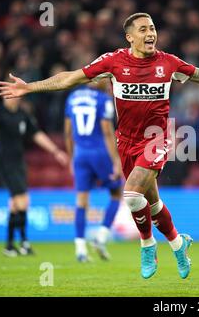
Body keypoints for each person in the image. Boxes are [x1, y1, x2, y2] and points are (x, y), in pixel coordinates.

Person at [0, 12, 199, 279]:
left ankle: (147, 245)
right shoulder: (113, 62)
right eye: (143, 30)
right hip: (125, 143)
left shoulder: (168, 63)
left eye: (152, 28)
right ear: (129, 37)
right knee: (152, 204)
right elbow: (71, 77)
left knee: (131, 194)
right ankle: (177, 244)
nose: (151, 34)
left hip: (156, 139)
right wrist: (30, 87)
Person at [0, 96, 69, 257]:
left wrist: (56, 151)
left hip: (19, 161)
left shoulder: (22, 115)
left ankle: (10, 245)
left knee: (16, 203)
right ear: (4, 97)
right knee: (21, 200)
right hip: (3, 161)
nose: (14, 98)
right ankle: (23, 242)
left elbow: (36, 134)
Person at [64, 81, 123, 262]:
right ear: (96, 81)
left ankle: (80, 249)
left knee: (81, 200)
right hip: (100, 153)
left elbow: (67, 131)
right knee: (116, 192)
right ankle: (101, 237)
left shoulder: (72, 97)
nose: (108, 82)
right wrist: (116, 160)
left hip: (80, 154)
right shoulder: (103, 99)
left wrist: (71, 157)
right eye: (105, 78)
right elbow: (106, 131)